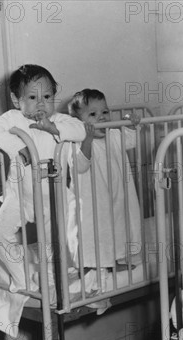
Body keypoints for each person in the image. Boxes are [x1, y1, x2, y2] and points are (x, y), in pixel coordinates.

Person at [0, 64, 86, 292]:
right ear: (15, 99)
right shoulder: (12, 118)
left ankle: (50, 282)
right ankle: (22, 280)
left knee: (51, 243)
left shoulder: (59, 119)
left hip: (52, 196)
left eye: (47, 96)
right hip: (20, 195)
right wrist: (17, 146)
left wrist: (54, 128)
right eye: (32, 96)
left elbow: (80, 130)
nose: (41, 103)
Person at [66, 89, 142, 270]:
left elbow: (131, 141)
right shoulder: (76, 143)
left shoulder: (114, 135)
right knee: (93, 233)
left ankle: (118, 260)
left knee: (118, 227)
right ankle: (89, 265)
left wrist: (132, 125)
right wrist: (87, 140)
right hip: (93, 203)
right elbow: (80, 165)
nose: (102, 118)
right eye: (93, 114)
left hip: (117, 196)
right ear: (79, 123)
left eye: (105, 112)